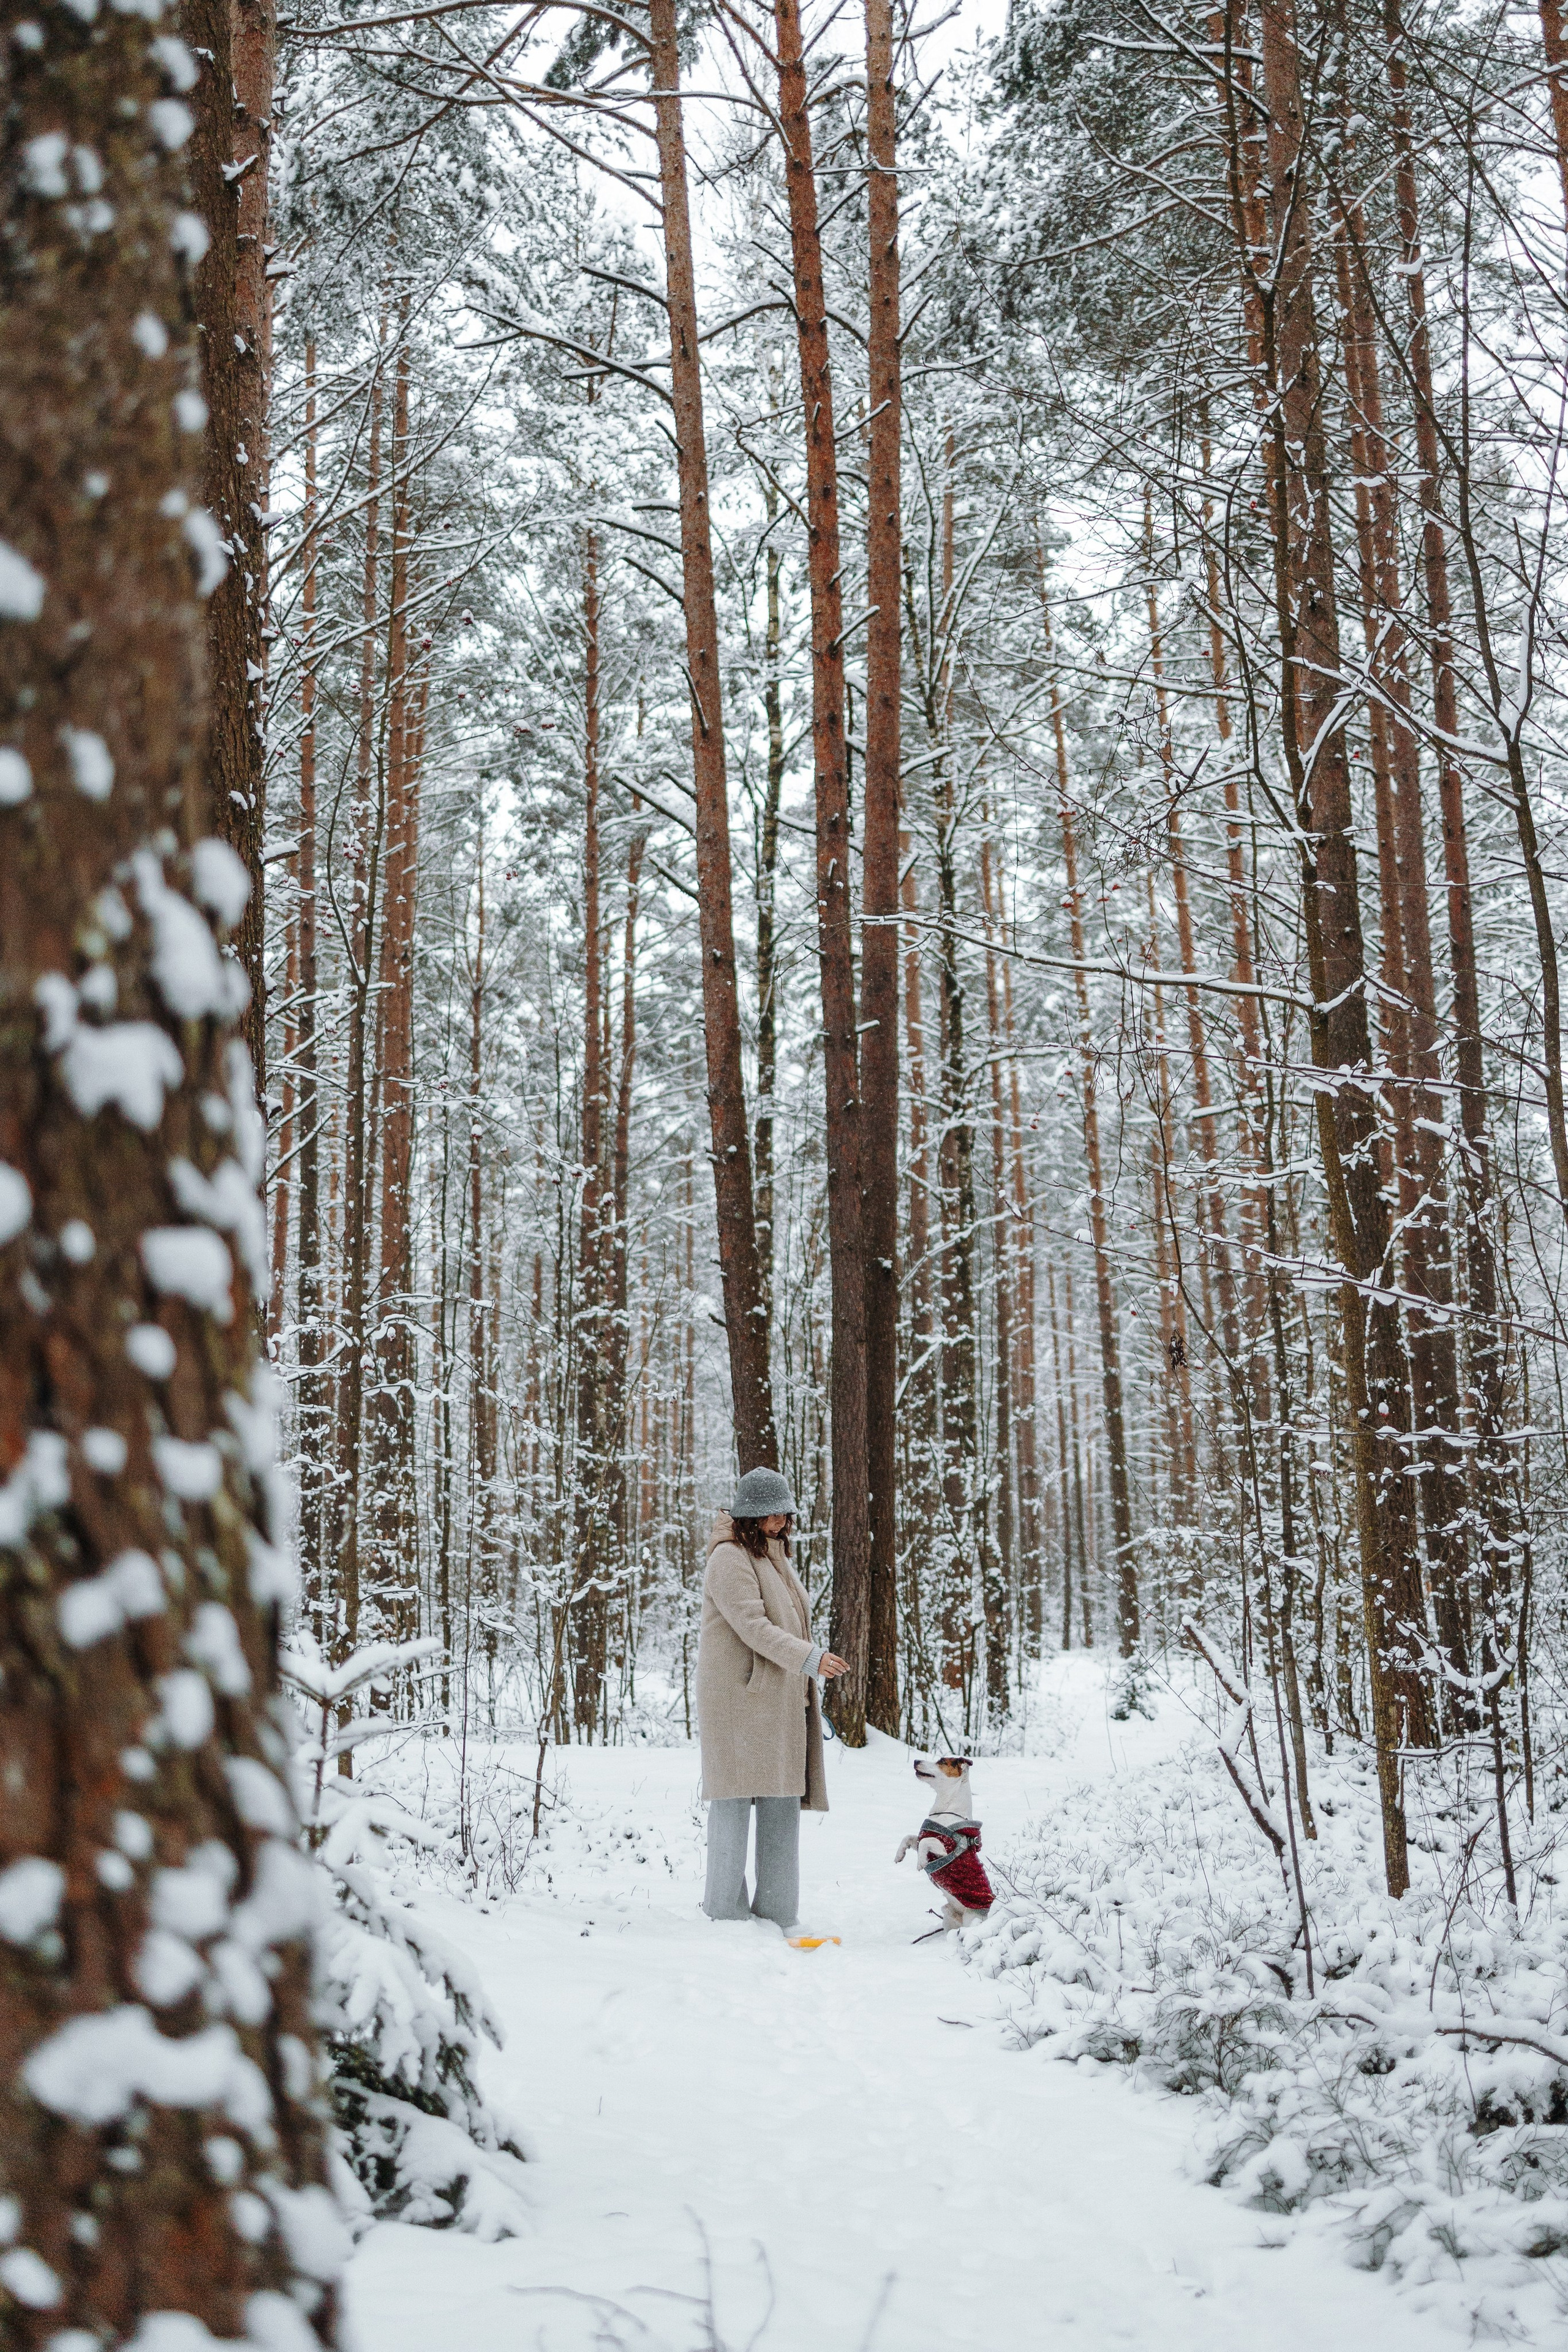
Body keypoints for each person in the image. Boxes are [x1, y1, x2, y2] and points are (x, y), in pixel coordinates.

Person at [695, 1466, 849, 1931]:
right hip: (737, 1702)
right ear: (750, 1514)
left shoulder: (772, 1556)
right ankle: (725, 1915)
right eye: (771, 1513)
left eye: (784, 1512)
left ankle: (779, 1916)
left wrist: (803, 1669)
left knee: (782, 1804)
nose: (780, 1520)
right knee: (733, 1805)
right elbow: (753, 1627)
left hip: (779, 1700)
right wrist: (810, 1659)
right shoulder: (728, 1558)